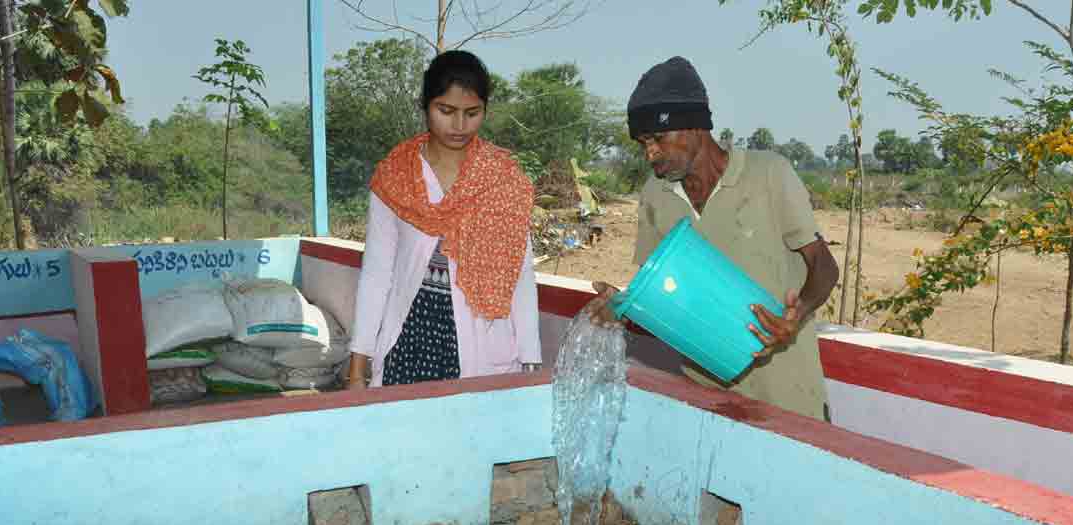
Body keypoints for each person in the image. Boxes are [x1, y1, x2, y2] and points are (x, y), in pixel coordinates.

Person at [586, 56, 839, 421]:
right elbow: (664, 295)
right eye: (643, 143)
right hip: (706, 402)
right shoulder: (656, 195)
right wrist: (625, 306)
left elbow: (824, 266)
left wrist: (795, 315)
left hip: (788, 399)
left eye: (658, 137)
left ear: (695, 127)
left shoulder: (769, 175)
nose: (650, 153)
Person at [346, 50, 542, 389]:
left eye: (472, 113)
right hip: (408, 341)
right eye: (446, 111)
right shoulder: (395, 177)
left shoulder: (503, 179)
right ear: (424, 106)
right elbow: (377, 275)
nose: (459, 125)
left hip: (484, 345)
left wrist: (531, 360)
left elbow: (519, 275)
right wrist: (356, 368)